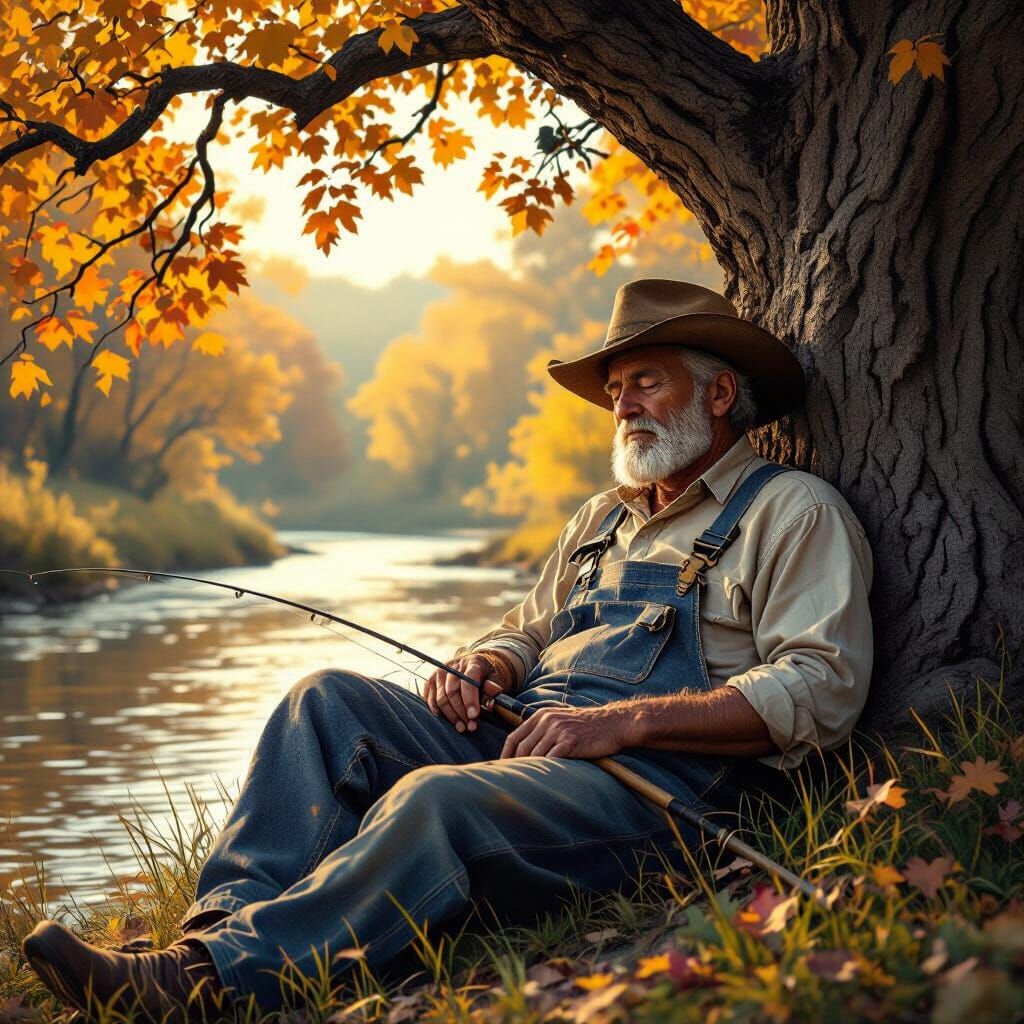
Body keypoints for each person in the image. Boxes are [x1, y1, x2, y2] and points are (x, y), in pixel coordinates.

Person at [22, 279, 874, 1021]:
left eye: (646, 382)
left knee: (437, 800)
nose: (623, 407)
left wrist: (621, 723)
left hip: (655, 794)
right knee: (323, 700)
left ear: (720, 393)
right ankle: (212, 936)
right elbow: (527, 628)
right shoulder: (599, 520)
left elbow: (821, 686)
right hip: (526, 740)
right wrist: (488, 665)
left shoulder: (791, 512)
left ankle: (210, 984)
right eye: (616, 389)